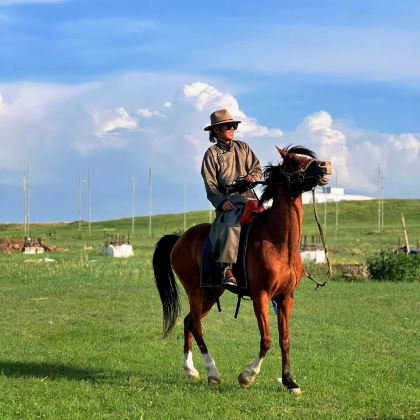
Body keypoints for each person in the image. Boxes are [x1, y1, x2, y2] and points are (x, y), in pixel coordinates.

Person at [201, 109, 262, 289]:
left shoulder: (243, 147)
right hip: (229, 203)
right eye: (228, 126)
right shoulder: (211, 154)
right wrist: (220, 201)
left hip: (251, 199)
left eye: (233, 125)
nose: (232, 128)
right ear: (216, 131)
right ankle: (226, 270)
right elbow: (210, 184)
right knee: (231, 226)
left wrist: (252, 177)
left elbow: (257, 169)